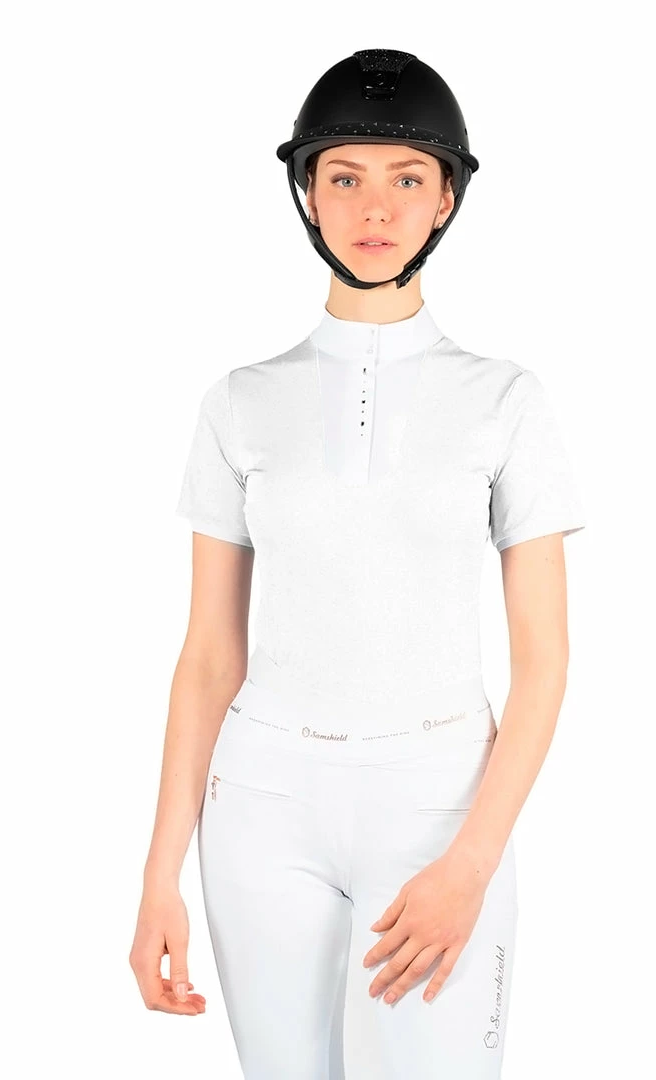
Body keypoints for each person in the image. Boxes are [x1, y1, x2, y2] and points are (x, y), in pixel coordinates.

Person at [130, 48, 586, 1079]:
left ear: (446, 199)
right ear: (306, 191)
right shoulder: (239, 401)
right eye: (344, 176)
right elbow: (208, 657)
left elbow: (546, 664)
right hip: (261, 805)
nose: (374, 207)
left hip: (439, 802)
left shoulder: (506, 401)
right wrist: (160, 876)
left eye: (406, 178)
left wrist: (471, 864)